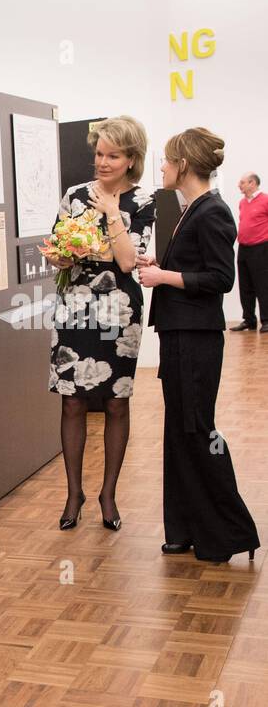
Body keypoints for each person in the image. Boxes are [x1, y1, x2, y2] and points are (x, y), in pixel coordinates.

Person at [139, 128, 259, 563]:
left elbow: (220, 279)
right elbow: (198, 267)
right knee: (181, 432)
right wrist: (161, 265)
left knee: (196, 430)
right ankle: (187, 529)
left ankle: (228, 533)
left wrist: (163, 277)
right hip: (180, 335)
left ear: (184, 165)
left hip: (194, 339)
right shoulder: (194, 209)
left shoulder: (212, 211)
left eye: (168, 161)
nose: (163, 167)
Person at [46, 116, 155, 531]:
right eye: (99, 154)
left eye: (113, 155)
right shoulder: (74, 195)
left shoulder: (144, 202)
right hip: (74, 307)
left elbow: (129, 260)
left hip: (119, 313)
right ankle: (74, 492)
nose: (103, 162)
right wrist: (60, 255)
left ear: (132, 159)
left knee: (115, 401)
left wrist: (111, 213)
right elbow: (56, 251)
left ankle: (109, 493)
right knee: (71, 399)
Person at [230, 172, 268, 331]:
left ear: (253, 183)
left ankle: (266, 320)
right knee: (245, 286)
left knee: (263, 285)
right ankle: (249, 320)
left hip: (261, 247)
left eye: (243, 182)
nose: (239, 184)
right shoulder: (242, 202)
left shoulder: (265, 200)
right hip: (244, 247)